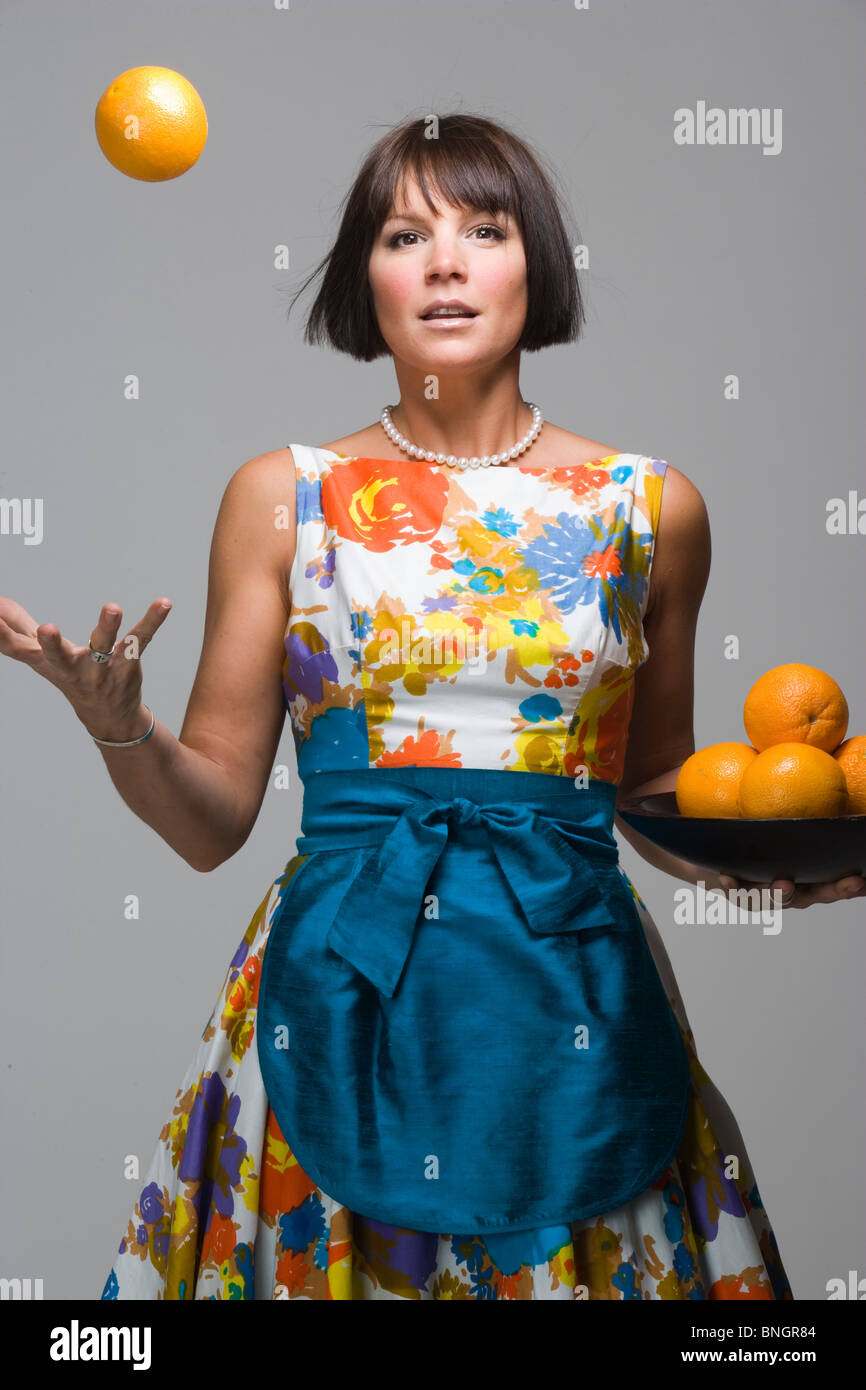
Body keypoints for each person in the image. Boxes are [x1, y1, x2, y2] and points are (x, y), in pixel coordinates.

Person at [3, 112, 862, 1302]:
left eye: (483, 228)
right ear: (369, 277)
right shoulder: (279, 496)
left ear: (535, 265)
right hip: (337, 985)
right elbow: (207, 824)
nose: (445, 260)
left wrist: (777, 861)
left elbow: (658, 793)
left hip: (570, 989)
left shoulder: (648, 507)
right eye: (407, 233)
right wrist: (113, 722)